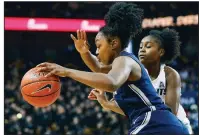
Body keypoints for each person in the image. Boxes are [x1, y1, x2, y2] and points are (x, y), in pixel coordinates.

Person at [36, 2, 189, 135]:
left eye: (98, 46)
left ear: (114, 43)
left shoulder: (124, 60)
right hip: (164, 125)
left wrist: (67, 71)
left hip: (155, 123)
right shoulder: (122, 64)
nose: (96, 51)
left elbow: (111, 82)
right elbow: (98, 69)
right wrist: (84, 52)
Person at [87, 28, 193, 134]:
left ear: (160, 51)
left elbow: (171, 113)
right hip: (152, 123)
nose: (142, 50)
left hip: (174, 124)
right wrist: (106, 103)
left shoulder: (169, 74)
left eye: (148, 46)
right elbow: (99, 68)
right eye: (140, 46)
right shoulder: (134, 71)